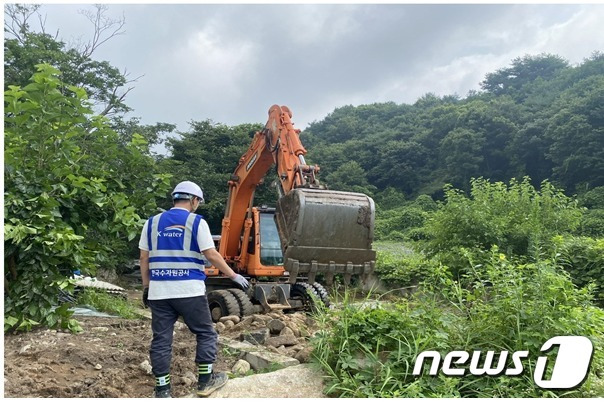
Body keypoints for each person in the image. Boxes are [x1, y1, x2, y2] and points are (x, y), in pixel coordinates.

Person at [139, 180, 250, 398]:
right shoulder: (197, 222)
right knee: (206, 333)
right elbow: (211, 254)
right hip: (189, 290)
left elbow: (144, 257)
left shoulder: (151, 223)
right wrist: (233, 275)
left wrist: (146, 287)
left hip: (159, 293)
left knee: (161, 339)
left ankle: (162, 390)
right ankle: (205, 382)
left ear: (175, 198)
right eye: (198, 201)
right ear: (194, 200)